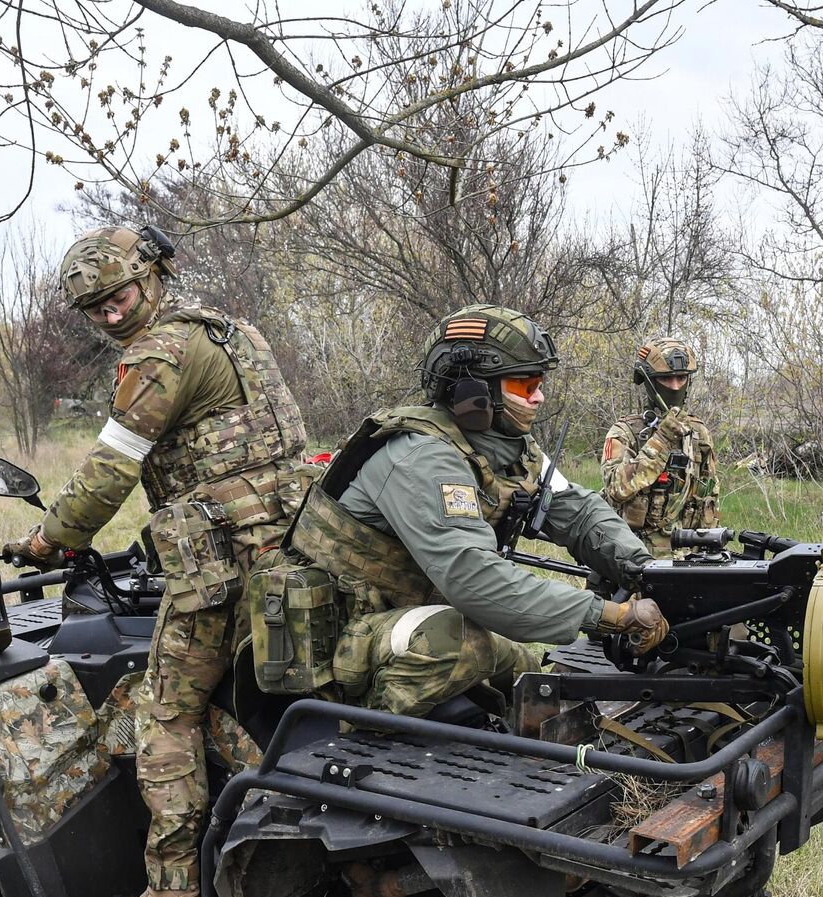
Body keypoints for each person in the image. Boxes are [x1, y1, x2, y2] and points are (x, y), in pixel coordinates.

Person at [2, 225, 312, 897]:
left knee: (164, 709)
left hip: (223, 564)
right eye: (97, 308)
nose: (112, 314)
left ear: (154, 276)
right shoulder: (233, 331)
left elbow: (110, 470)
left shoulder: (158, 354)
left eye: (121, 296)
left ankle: (173, 893)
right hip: (294, 548)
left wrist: (50, 538)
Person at [287, 304, 669, 719]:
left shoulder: (507, 449)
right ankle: (358, 738)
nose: (539, 396)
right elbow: (473, 576)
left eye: (539, 382)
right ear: (474, 393)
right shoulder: (421, 457)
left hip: (405, 618)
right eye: (525, 386)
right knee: (466, 642)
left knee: (528, 676)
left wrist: (647, 571)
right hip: (339, 635)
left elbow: (577, 511)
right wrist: (611, 615)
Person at [600, 336, 720, 556]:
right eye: (667, 379)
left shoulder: (697, 433)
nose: (675, 386)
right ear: (650, 382)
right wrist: (662, 439)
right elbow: (616, 488)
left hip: (685, 558)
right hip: (632, 555)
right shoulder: (626, 432)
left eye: (681, 378)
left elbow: (708, 498)